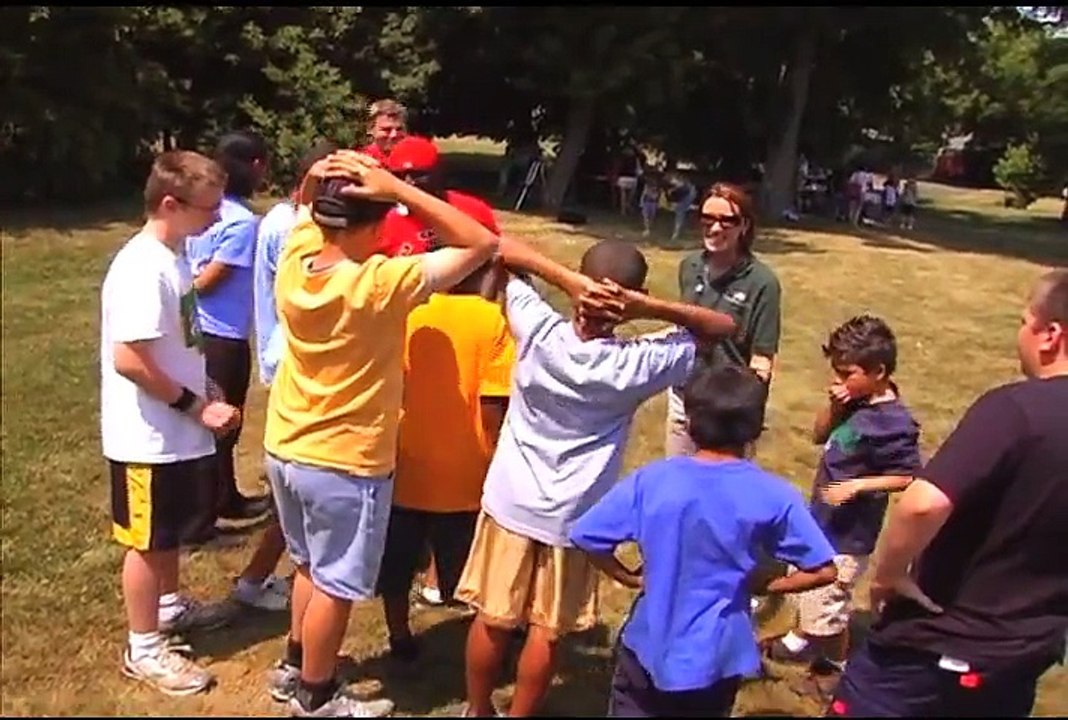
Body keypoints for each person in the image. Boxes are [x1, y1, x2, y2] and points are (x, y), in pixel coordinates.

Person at [456, 238, 740, 717]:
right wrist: (646, 307)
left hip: (510, 500)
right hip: (576, 516)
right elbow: (722, 327)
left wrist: (569, 281)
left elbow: (500, 251)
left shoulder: (538, 328)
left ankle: (478, 709)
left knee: (492, 619)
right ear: (635, 295)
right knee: (548, 630)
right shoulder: (640, 362)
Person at [262, 150, 500, 717]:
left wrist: (323, 174)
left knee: (306, 566)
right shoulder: (379, 284)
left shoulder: (298, 258)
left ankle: (294, 666)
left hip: (286, 443)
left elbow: (303, 204)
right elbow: (480, 244)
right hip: (344, 458)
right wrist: (402, 187)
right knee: (337, 584)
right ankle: (317, 695)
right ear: (375, 226)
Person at [827, 269, 1068, 717]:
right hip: (1022, 657)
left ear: (1050, 334)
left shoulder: (1015, 409)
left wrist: (889, 575)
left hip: (934, 650)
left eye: (1023, 320)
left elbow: (922, 502)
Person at [570, 364, 838, 717]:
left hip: (648, 643)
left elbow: (586, 536)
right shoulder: (774, 495)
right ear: (755, 429)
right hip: (717, 654)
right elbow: (823, 571)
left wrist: (627, 576)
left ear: (691, 424)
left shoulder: (653, 480)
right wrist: (767, 582)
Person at [100, 150, 242, 695]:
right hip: (146, 434)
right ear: (169, 203)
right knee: (147, 540)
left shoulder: (176, 253)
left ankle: (169, 608)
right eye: (208, 208)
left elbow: (179, 338)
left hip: (176, 426)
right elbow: (130, 360)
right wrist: (195, 406)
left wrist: (204, 386)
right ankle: (144, 646)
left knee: (169, 532)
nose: (215, 218)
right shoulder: (141, 267)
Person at [764, 315, 922, 681]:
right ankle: (802, 634)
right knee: (804, 584)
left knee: (827, 603)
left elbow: (910, 476)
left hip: (848, 537)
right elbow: (819, 435)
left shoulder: (894, 424)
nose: (838, 381)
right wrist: (836, 406)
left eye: (846, 373)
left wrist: (858, 486)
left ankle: (836, 663)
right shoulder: (854, 400)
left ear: (878, 371)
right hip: (821, 518)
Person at [376, 259, 516, 664]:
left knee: (397, 565)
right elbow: (493, 405)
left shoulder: (411, 312)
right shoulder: (494, 321)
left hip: (404, 463)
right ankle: (480, 648)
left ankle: (398, 636)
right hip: (466, 473)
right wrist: (493, 461)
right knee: (472, 572)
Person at [230, 139, 340, 613]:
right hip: (299, 360)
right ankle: (262, 578)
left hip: (285, 355)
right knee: (297, 485)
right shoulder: (297, 229)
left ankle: (275, 572)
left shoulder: (277, 220)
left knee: (291, 482)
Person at [185, 130, 273, 535]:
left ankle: (226, 496)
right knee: (221, 423)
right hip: (223, 337)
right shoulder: (240, 223)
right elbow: (210, 281)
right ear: (255, 166)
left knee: (222, 422)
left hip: (206, 333)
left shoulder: (205, 211)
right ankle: (202, 516)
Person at [665, 182, 782, 457]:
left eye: (727, 221)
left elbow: (762, 359)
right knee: (679, 482)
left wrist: (749, 417)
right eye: (707, 219)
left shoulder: (762, 282)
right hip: (684, 399)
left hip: (727, 409)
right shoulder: (689, 266)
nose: (715, 228)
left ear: (745, 226)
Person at [377, 135, 500, 258]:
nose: (409, 182)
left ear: (438, 172)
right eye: (400, 175)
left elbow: (498, 253)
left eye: (418, 174)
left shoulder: (473, 209)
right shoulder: (383, 225)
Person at [361, 98, 407, 163]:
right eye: (387, 129)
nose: (394, 135)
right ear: (370, 129)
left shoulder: (415, 159)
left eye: (399, 129)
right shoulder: (360, 162)